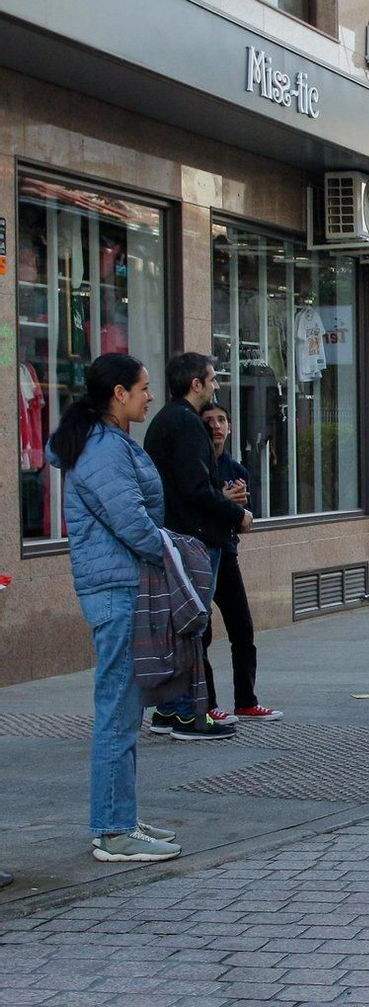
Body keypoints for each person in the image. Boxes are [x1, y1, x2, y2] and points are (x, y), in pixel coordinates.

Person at [47, 354, 182, 861]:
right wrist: (169, 552)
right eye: (144, 388)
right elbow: (130, 518)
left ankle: (119, 816)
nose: (150, 396)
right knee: (117, 714)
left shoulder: (105, 442)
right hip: (119, 590)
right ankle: (112, 829)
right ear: (119, 394)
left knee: (123, 713)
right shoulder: (103, 448)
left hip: (121, 588)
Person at [141, 353, 247, 740]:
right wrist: (236, 515)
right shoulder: (184, 423)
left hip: (182, 536)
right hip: (193, 540)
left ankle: (171, 710)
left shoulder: (171, 421)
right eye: (212, 379)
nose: (216, 385)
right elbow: (195, 488)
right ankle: (187, 713)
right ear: (195, 384)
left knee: (182, 626)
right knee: (191, 627)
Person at [197, 403, 279, 724]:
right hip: (201, 554)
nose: (216, 426)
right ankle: (208, 705)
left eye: (221, 420)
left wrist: (240, 512)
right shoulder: (197, 466)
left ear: (230, 426)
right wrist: (222, 500)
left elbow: (245, 520)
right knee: (200, 633)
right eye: (209, 421)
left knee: (242, 629)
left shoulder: (237, 469)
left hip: (227, 555)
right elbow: (193, 505)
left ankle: (246, 700)